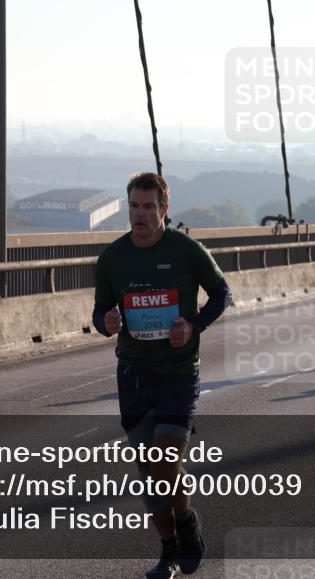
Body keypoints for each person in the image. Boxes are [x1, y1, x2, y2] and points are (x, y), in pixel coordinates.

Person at [93, 172, 232, 579]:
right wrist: (108, 321)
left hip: (178, 373)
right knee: (149, 477)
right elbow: (99, 313)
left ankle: (186, 521)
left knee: (166, 463)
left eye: (149, 206)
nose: (140, 213)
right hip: (135, 374)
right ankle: (168, 551)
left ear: (164, 210)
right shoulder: (112, 259)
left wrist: (193, 325)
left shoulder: (186, 250)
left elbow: (222, 294)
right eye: (134, 206)